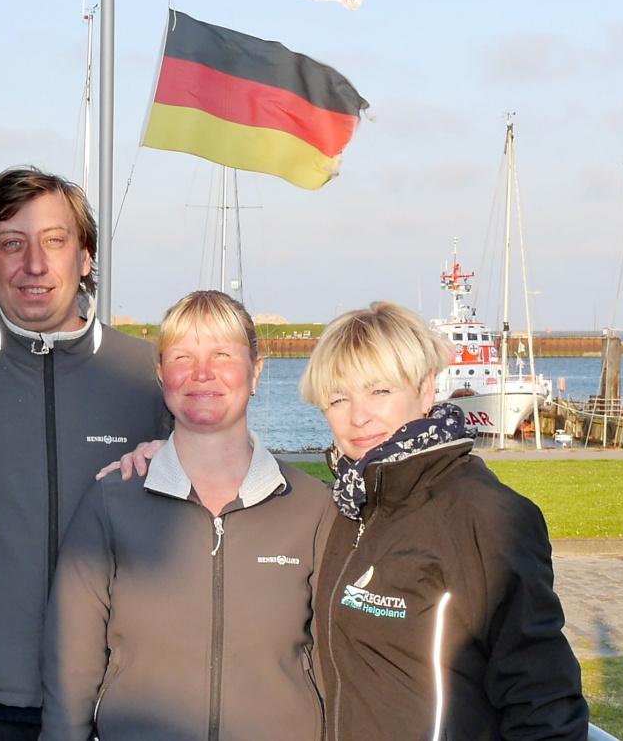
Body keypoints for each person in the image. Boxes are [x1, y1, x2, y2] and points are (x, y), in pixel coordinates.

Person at [0, 168, 172, 740]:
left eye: (55, 241)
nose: (35, 265)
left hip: (124, 696)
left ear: (85, 257)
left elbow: (227, 495)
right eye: (12, 244)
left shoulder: (149, 374)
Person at [40, 291, 335, 740]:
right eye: (182, 356)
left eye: (221, 354)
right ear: (161, 375)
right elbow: (71, 671)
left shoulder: (314, 508)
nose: (202, 373)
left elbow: (340, 667)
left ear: (256, 371)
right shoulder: (110, 504)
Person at [300, 301, 588, 741]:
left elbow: (543, 700)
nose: (358, 417)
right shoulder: (351, 504)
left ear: (425, 389)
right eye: (338, 398)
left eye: (379, 391)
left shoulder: (483, 514)